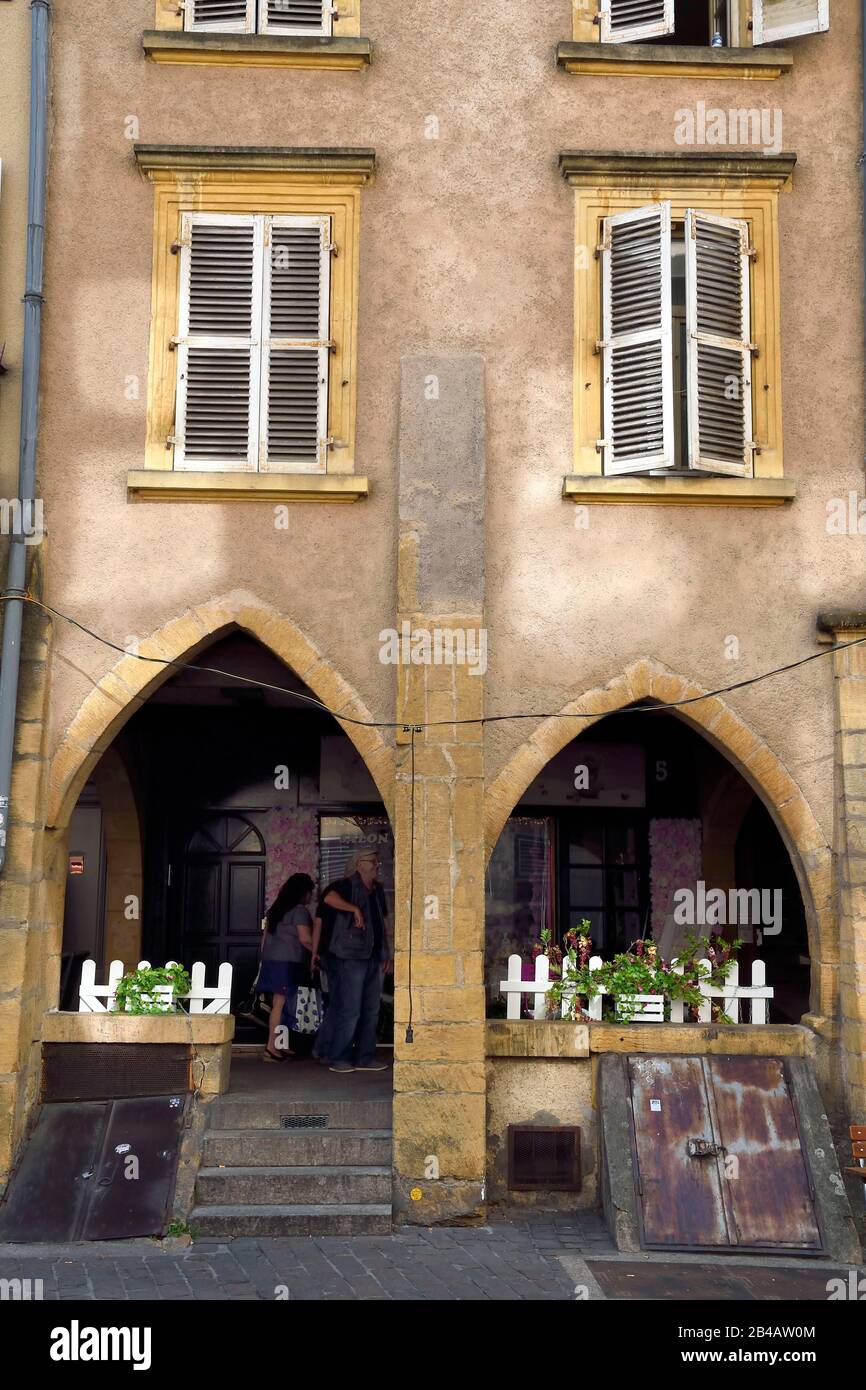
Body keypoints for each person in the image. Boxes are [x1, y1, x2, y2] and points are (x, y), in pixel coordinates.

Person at [324, 848, 392, 1074]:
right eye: (372, 861)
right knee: (350, 1009)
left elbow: (382, 923)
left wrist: (386, 953)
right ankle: (339, 1058)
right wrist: (353, 908)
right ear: (359, 864)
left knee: (371, 1010)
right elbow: (329, 898)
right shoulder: (345, 884)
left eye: (377, 861)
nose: (376, 865)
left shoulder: (378, 889)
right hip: (351, 956)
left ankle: (365, 1057)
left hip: (373, 956)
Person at [259, 872, 315, 1062]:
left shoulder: (275, 909)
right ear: (304, 892)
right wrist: (320, 954)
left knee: (279, 1004)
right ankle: (271, 1048)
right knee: (281, 1004)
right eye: (310, 892)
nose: (311, 896)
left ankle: (280, 1045)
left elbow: (264, 939)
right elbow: (305, 939)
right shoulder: (299, 911)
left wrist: (263, 961)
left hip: (272, 961)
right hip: (288, 963)